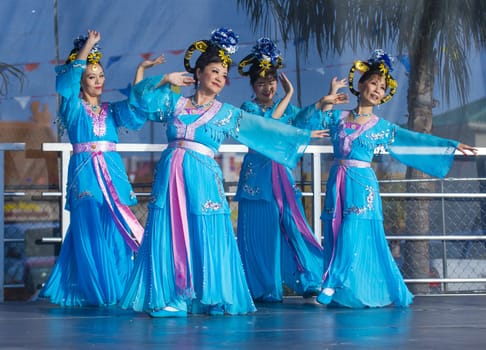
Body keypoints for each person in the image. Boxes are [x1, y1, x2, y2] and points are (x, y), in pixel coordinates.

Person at [119, 28, 329, 317]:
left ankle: (210, 294)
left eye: (223, 74)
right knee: (169, 230)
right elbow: (140, 100)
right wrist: (164, 79)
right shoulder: (174, 102)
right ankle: (173, 296)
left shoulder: (226, 112)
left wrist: (301, 136)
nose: (219, 78)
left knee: (206, 232)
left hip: (203, 177)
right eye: (214, 70)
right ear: (199, 71)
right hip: (171, 177)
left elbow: (263, 129)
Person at [297, 49, 478, 308]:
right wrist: (325, 99)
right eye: (373, 83)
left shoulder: (381, 127)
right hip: (337, 183)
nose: (377, 90)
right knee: (336, 231)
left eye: (382, 87)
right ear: (360, 84)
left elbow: (414, 139)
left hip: (362, 185)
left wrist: (448, 145)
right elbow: (304, 124)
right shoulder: (338, 117)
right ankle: (344, 288)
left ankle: (331, 284)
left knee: (352, 231)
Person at [39, 30, 154, 307]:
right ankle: (98, 291)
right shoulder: (73, 108)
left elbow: (136, 111)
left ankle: (119, 288)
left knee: (115, 233)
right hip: (86, 175)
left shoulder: (111, 111)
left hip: (113, 176)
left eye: (101, 76)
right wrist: (88, 47)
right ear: (80, 80)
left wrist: (140, 71)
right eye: (92, 76)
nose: (98, 81)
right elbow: (65, 84)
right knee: (89, 231)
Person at [234, 38, 346, 302]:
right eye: (261, 82)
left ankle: (309, 278)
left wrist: (325, 100)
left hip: (281, 178)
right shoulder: (248, 109)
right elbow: (268, 126)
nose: (267, 87)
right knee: (259, 234)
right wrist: (287, 96)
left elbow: (307, 120)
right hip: (257, 180)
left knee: (294, 229)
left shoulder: (286, 109)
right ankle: (260, 287)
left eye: (271, 81)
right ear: (252, 86)